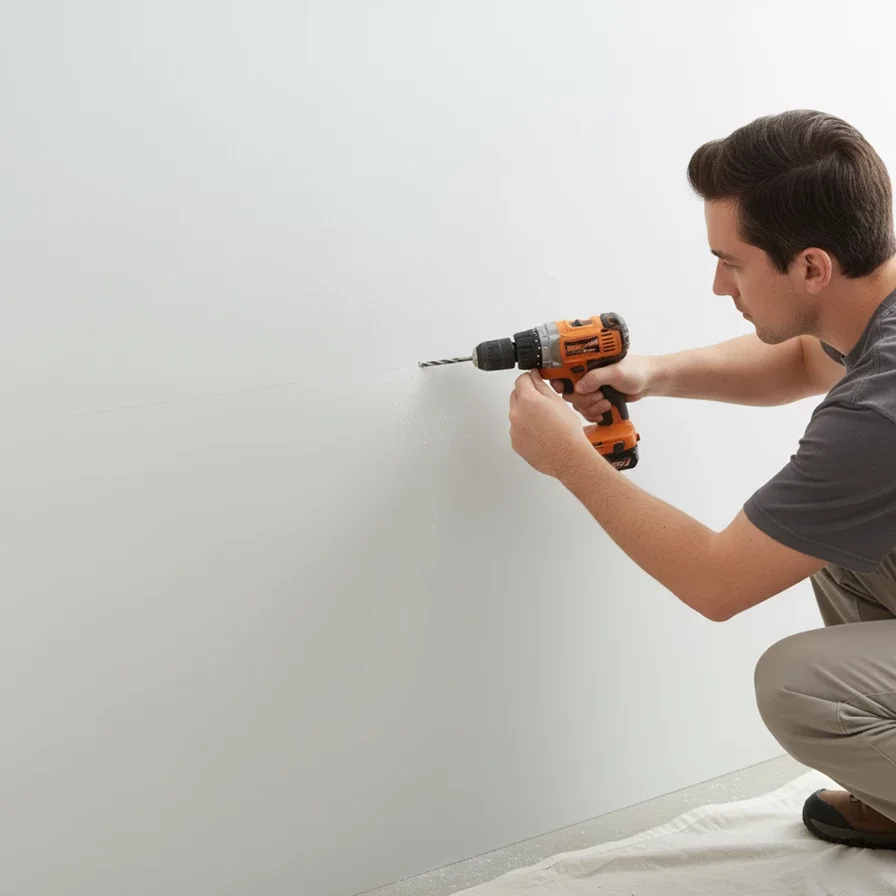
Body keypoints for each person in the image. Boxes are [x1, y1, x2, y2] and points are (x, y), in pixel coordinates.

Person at [508, 109, 896, 850]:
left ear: (812, 266)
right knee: (837, 540)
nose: (719, 284)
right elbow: (811, 359)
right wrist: (651, 373)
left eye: (733, 261)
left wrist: (570, 460)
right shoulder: (874, 298)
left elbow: (717, 583)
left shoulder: (883, 409)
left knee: (803, 687)